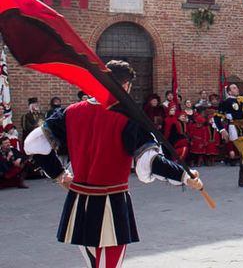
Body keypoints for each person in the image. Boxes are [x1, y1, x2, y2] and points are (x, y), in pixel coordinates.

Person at [24, 60, 203, 268]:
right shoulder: (129, 117)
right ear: (126, 86)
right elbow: (150, 162)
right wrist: (184, 176)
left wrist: (59, 174)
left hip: (79, 202)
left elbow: (32, 144)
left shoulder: (71, 111)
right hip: (111, 203)